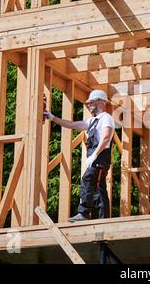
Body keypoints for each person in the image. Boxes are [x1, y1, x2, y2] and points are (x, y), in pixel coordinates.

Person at [44, 89, 115, 222]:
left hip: (100, 157)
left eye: (91, 102)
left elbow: (105, 138)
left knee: (89, 180)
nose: (88, 105)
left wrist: (94, 155)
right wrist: (52, 117)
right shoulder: (92, 121)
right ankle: (102, 219)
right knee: (98, 187)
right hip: (96, 157)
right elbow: (71, 124)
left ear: (101, 102)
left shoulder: (106, 118)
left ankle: (85, 213)